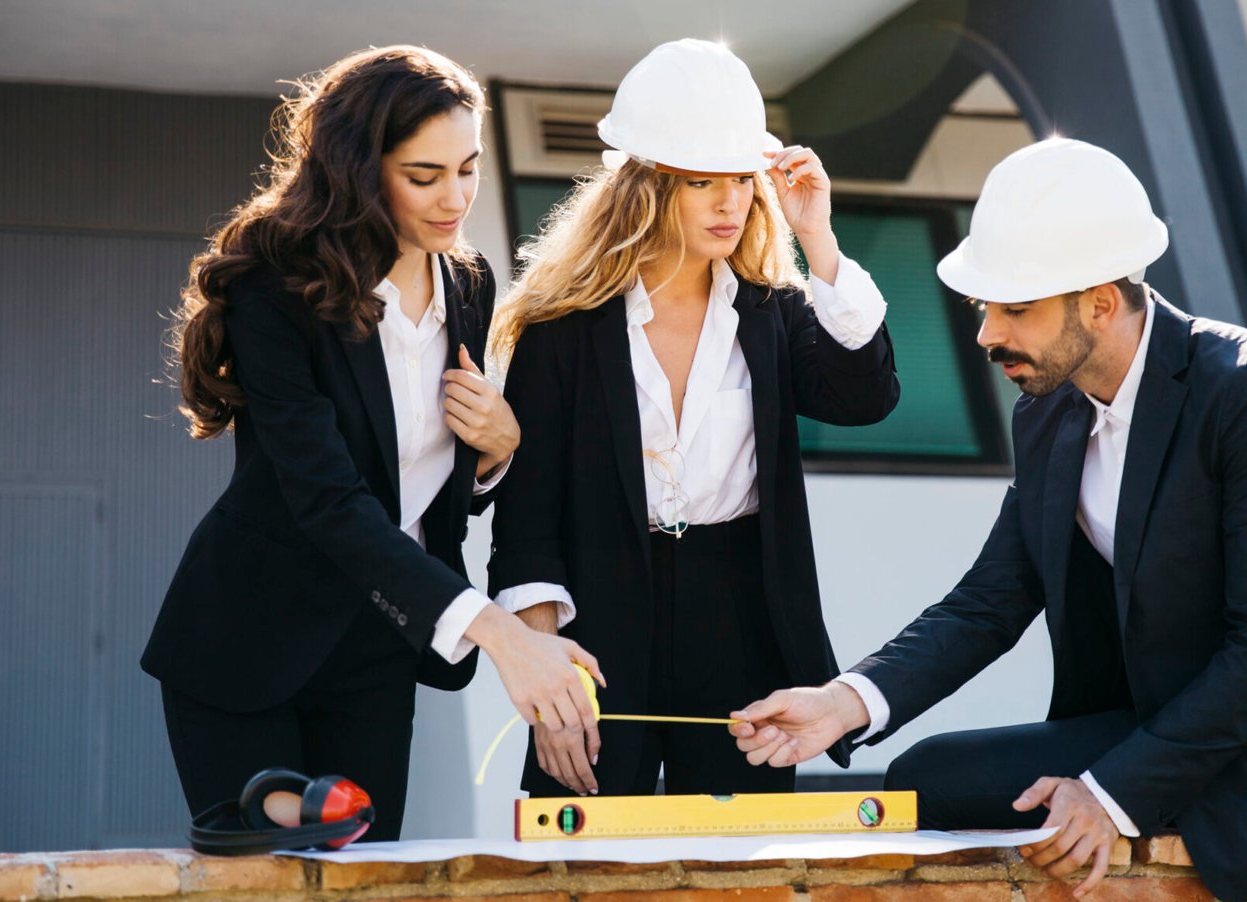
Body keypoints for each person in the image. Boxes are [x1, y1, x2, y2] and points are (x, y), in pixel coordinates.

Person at [729, 137, 1247, 902]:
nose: (986, 335)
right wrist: (843, 702)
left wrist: (1109, 794)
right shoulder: (1047, 414)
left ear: (1101, 304)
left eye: (1015, 309)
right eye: (985, 308)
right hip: (1141, 723)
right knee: (923, 778)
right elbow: (988, 602)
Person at [142, 45, 603, 841]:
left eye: (469, 169)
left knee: (367, 870)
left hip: (382, 639)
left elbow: (421, 477)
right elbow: (329, 499)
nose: (455, 198)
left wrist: (496, 452)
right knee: (267, 875)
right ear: (358, 171)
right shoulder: (275, 288)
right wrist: (500, 635)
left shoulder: (469, 283)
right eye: (425, 176)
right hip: (248, 640)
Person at [486, 39, 899, 798]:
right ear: (645, 187)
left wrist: (819, 240)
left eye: (742, 180)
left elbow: (864, 399)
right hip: (596, 621)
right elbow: (527, 522)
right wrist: (545, 680)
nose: (730, 203)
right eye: (702, 181)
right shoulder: (561, 329)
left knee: (735, 851)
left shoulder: (773, 312)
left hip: (743, 620)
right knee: (587, 847)